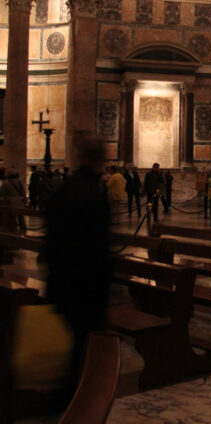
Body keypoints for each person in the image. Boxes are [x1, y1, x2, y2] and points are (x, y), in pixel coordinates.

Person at [44, 135, 111, 391]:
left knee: (76, 341)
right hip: (86, 285)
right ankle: (80, 398)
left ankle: (71, 391)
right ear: (100, 160)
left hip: (61, 279)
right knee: (85, 344)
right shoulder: (92, 193)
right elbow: (97, 245)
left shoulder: (63, 189)